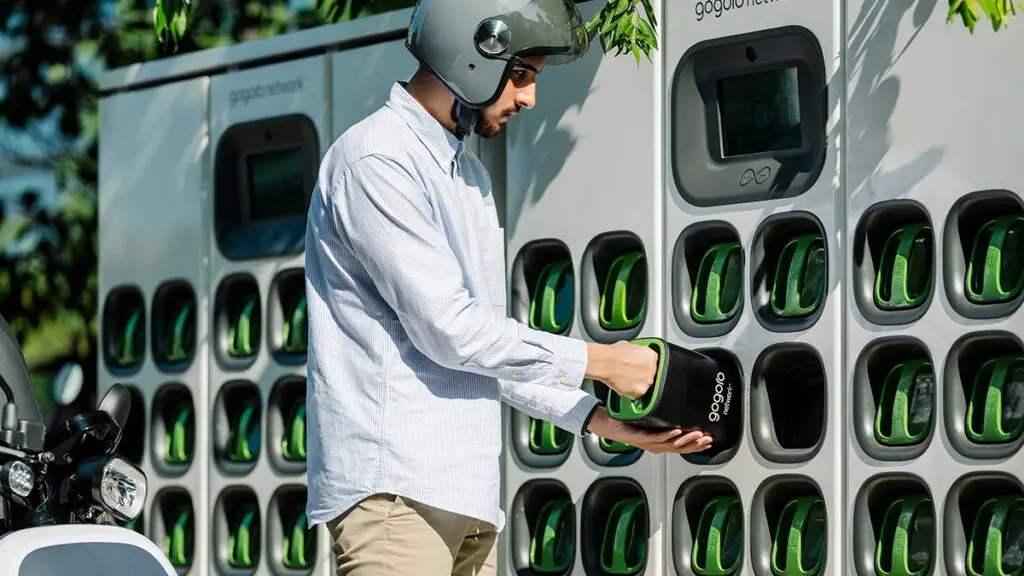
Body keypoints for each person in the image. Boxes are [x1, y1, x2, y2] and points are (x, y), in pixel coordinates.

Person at [303, 0, 713, 574]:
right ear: (470, 56)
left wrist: (599, 419)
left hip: (467, 500)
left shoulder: (463, 173)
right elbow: (451, 332)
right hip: (398, 497)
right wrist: (606, 362)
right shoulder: (377, 160)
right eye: (521, 75)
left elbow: (484, 351)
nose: (529, 98)